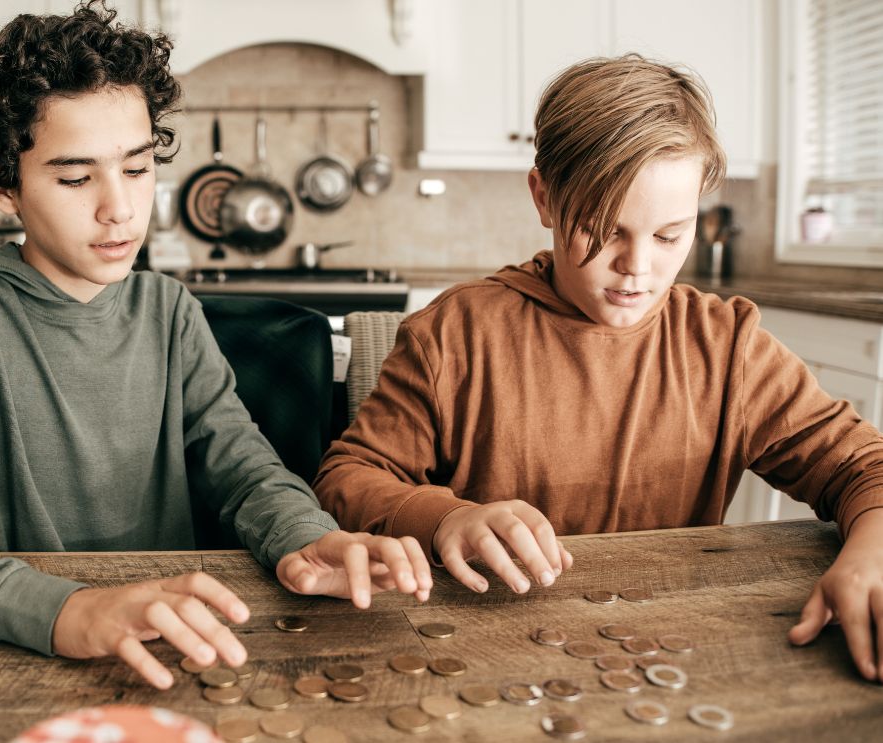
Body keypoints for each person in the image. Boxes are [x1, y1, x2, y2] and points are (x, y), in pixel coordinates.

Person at [0, 1, 432, 690]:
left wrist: (304, 536)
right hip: (6, 661)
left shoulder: (168, 312)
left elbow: (243, 467)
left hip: (170, 649)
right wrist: (59, 607)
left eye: (135, 169)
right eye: (75, 178)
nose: (120, 209)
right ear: (0, 186)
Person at [314, 54, 883, 682]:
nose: (637, 267)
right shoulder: (455, 334)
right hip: (476, 653)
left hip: (660, 649)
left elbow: (863, 466)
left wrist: (872, 554)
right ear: (545, 198)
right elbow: (348, 477)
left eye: (669, 236)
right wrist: (446, 517)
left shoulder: (729, 348)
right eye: (603, 229)